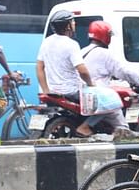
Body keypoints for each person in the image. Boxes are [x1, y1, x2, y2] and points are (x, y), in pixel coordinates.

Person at [36, 10, 103, 138]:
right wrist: (91, 84)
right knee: (106, 102)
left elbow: (39, 67)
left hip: (53, 93)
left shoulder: (46, 42)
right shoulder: (71, 44)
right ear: (67, 26)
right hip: (72, 92)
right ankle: (85, 127)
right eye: (72, 22)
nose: (74, 24)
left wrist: (46, 90)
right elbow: (82, 70)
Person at [80, 20, 139, 133]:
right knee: (121, 124)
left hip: (83, 92)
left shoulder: (82, 51)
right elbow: (123, 71)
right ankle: (87, 126)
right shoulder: (104, 53)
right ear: (104, 36)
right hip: (97, 95)